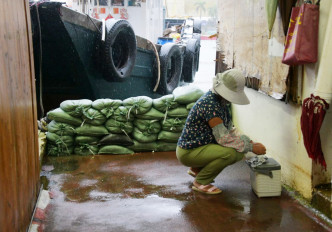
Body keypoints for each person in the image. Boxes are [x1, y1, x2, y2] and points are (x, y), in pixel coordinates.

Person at [176, 69, 266, 195]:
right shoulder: (211, 106)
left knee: (237, 149)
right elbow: (224, 139)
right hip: (189, 152)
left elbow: (230, 130)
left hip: (199, 147)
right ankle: (201, 181)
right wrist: (250, 147)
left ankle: (197, 168)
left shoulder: (220, 102)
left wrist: (249, 141)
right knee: (233, 154)